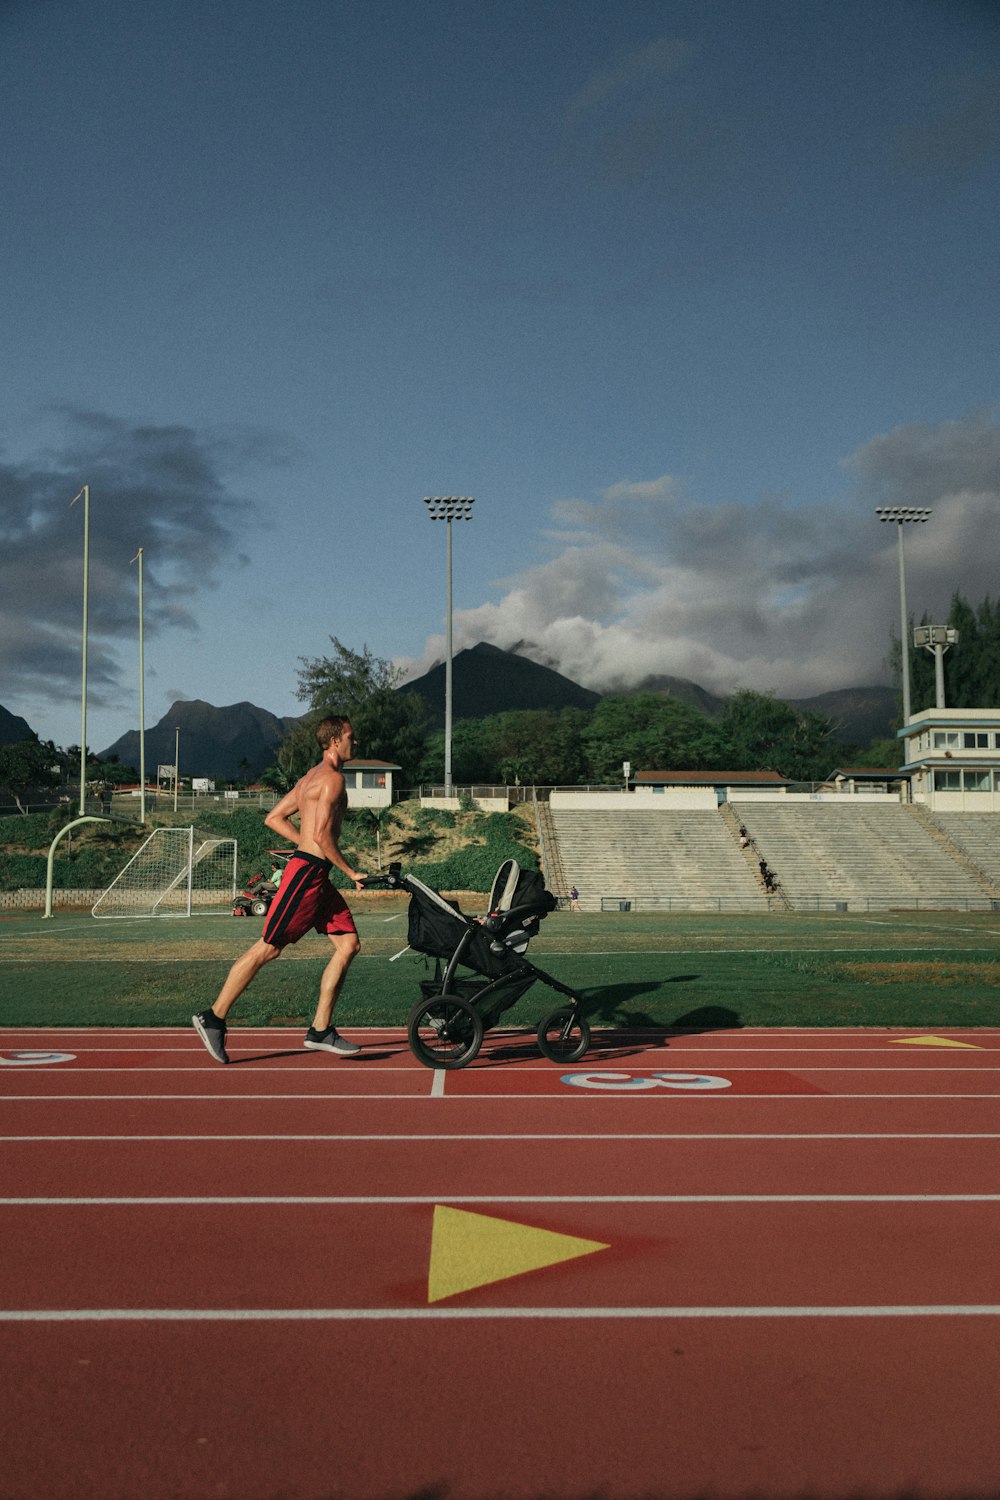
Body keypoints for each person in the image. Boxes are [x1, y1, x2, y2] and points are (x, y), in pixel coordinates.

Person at [192, 716, 367, 1064]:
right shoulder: (331, 780)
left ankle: (320, 1029)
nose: (355, 742)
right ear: (334, 740)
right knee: (268, 948)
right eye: (350, 736)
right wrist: (351, 871)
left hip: (316, 874)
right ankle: (213, 1017)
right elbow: (320, 836)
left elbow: (274, 818)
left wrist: (307, 845)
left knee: (348, 944)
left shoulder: (309, 779)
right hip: (306, 876)